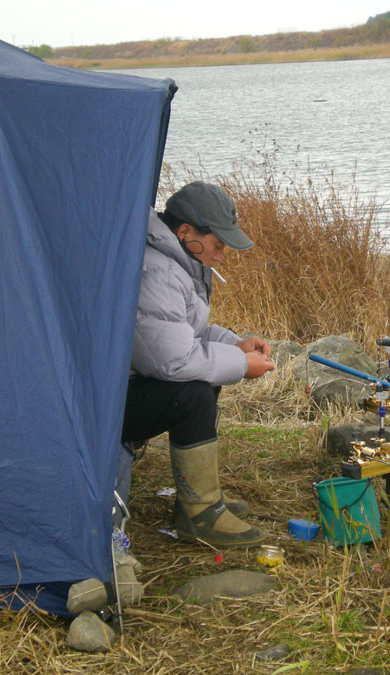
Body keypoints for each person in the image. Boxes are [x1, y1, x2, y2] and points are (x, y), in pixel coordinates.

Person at [121, 181, 275, 548]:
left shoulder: (177, 261)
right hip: (108, 404)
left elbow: (183, 332)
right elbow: (173, 361)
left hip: (130, 384)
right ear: (185, 232)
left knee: (206, 377)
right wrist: (241, 363)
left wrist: (234, 345)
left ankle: (198, 497)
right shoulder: (158, 271)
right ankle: (200, 513)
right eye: (217, 245)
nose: (221, 256)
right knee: (192, 394)